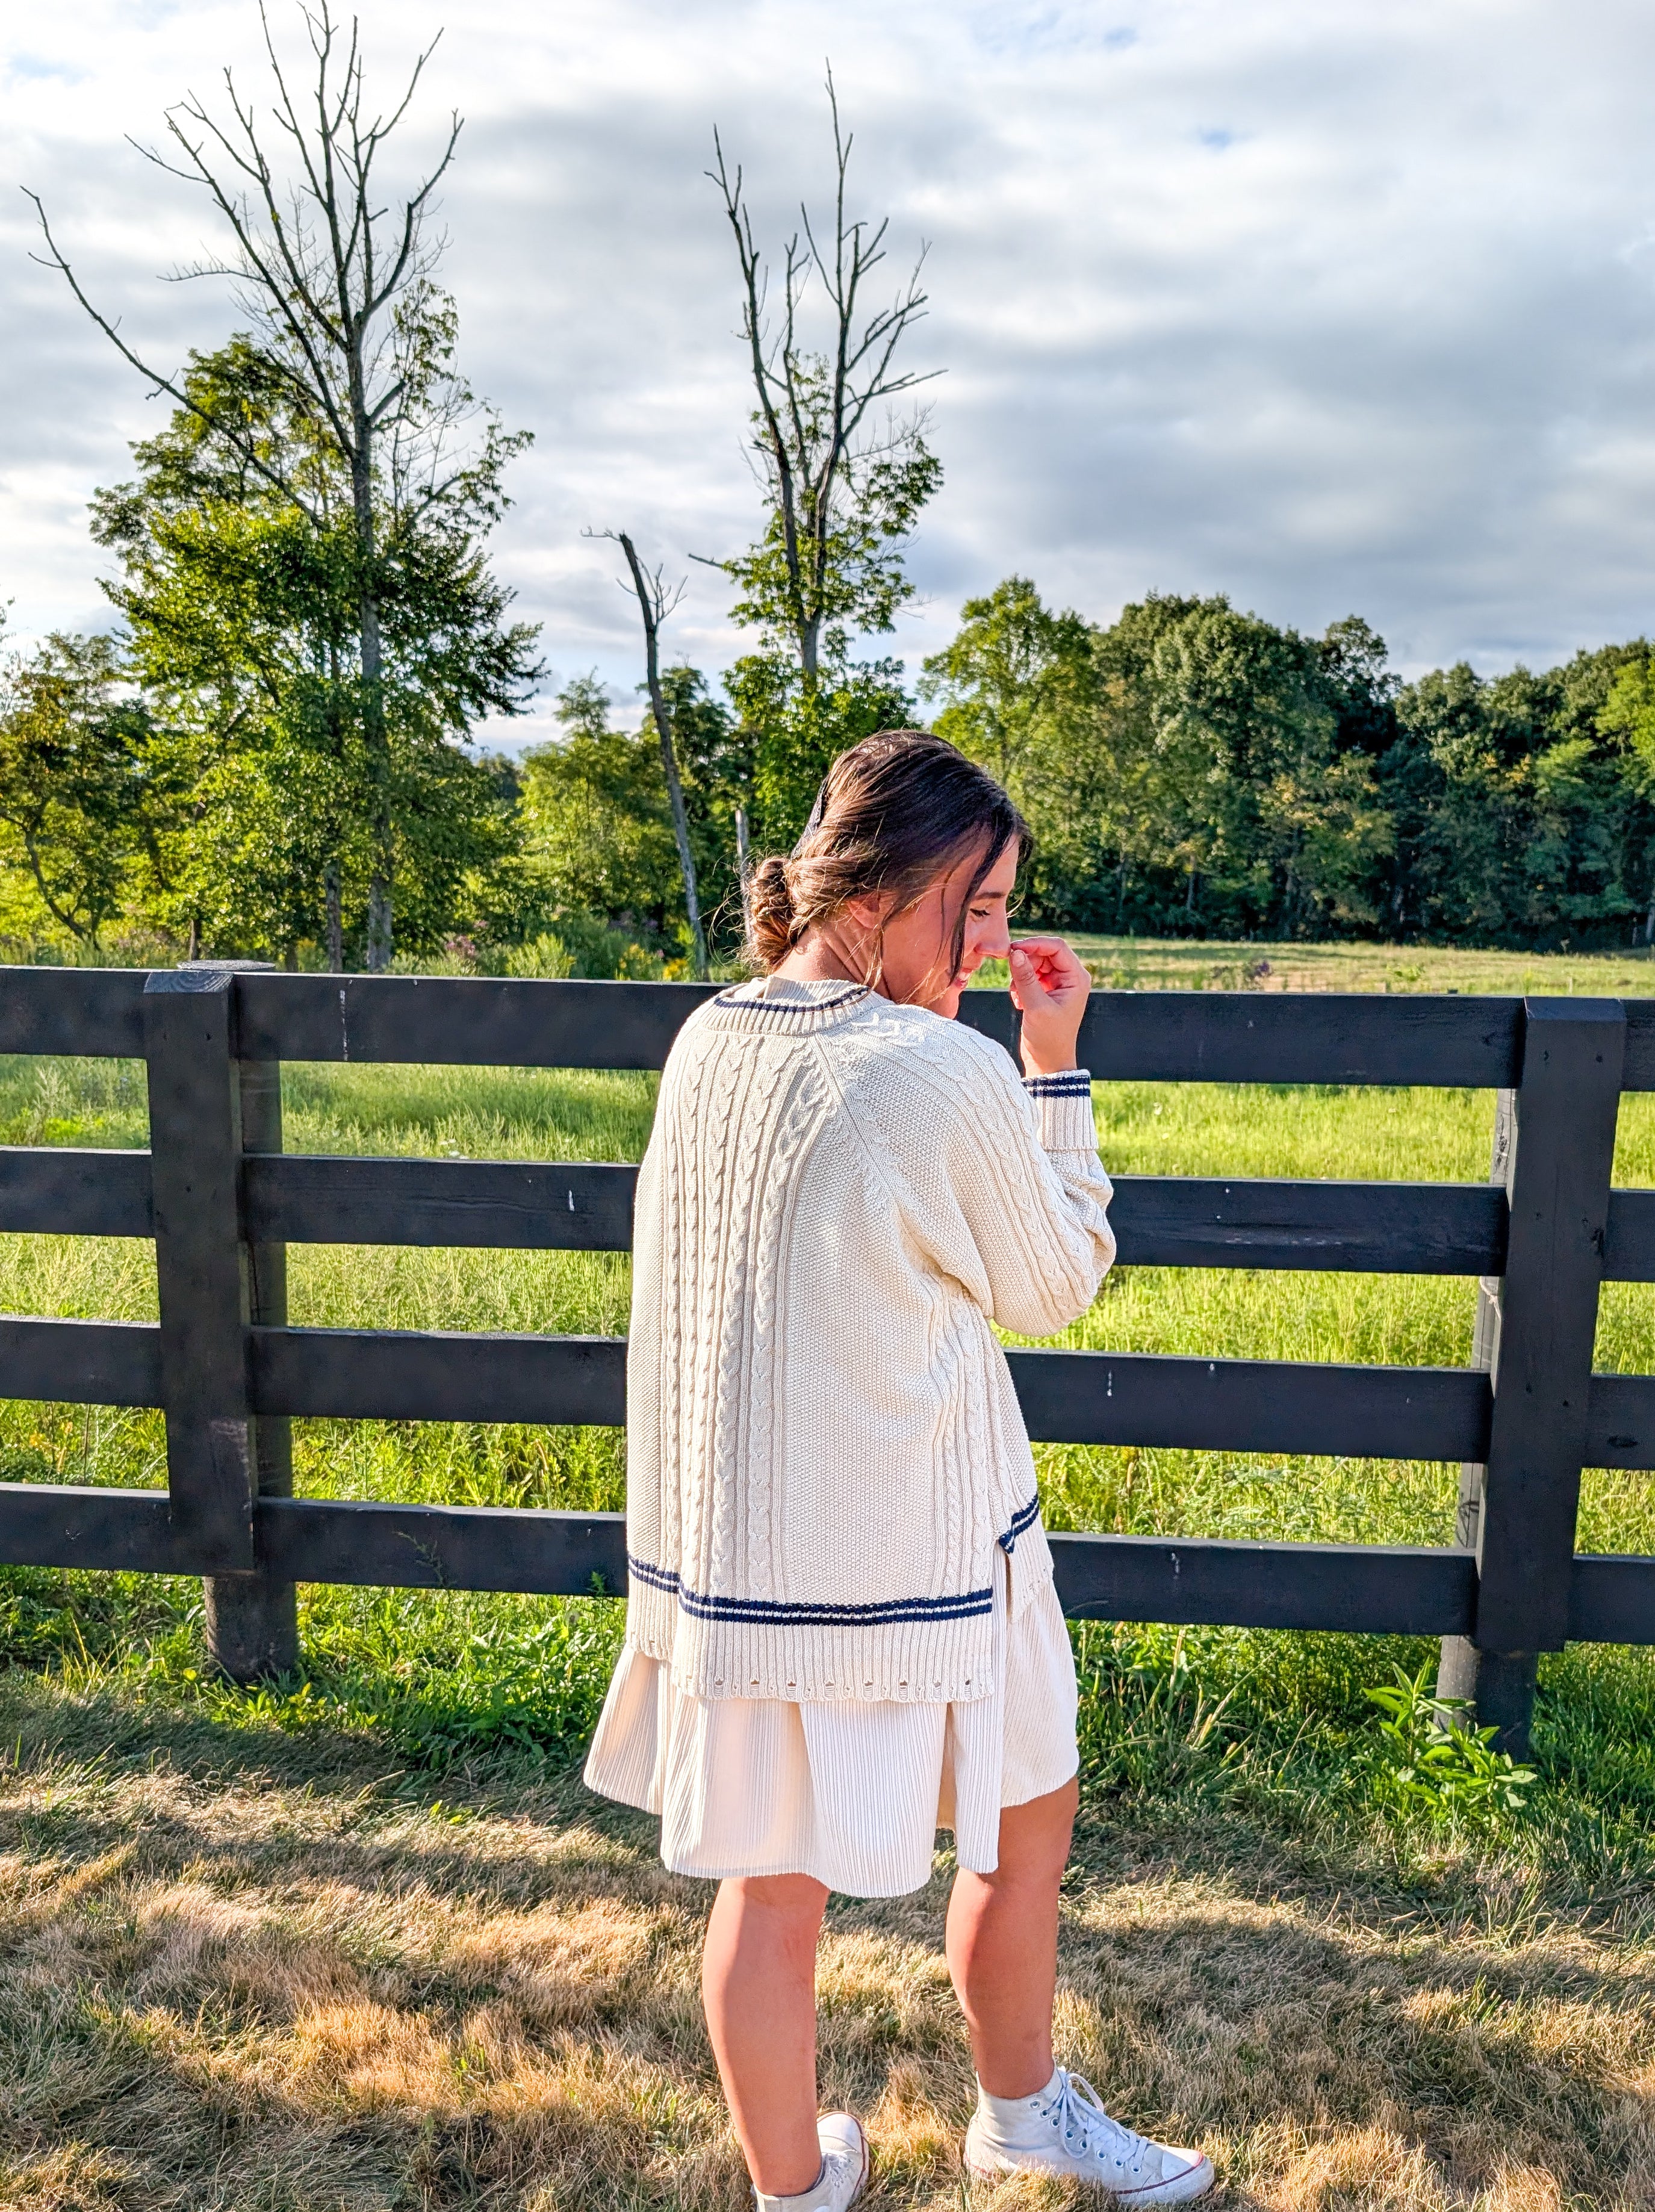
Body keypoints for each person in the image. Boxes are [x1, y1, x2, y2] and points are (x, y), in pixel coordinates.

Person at [584, 730, 1214, 2210]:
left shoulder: (709, 1035)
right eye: (979, 905)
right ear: (889, 881)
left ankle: (795, 2186)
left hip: (740, 1559)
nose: (990, 942)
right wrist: (1052, 1068)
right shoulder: (938, 1066)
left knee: (767, 1888)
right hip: (931, 1538)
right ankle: (1020, 2117)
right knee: (1022, 1823)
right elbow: (1054, 1281)